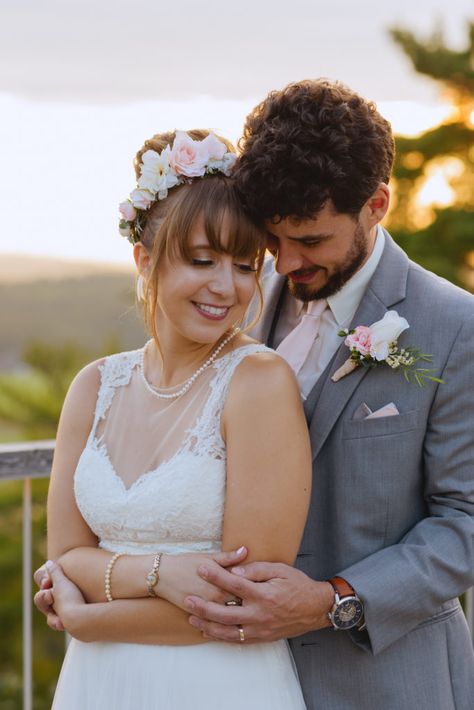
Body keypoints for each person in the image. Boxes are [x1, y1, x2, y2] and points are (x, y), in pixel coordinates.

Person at [176, 81, 474, 709]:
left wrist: (329, 600)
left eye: (310, 240)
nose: (283, 263)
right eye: (272, 238)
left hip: (388, 682)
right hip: (238, 679)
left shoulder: (455, 327)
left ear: (376, 204)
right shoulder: (235, 301)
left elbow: (465, 523)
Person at [33, 128, 311, 709]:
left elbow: (242, 601)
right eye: (203, 260)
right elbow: (65, 558)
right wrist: (161, 572)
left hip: (219, 683)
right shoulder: (94, 386)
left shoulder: (258, 382)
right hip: (96, 685)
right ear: (144, 258)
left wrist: (90, 621)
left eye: (244, 264)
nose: (226, 287)